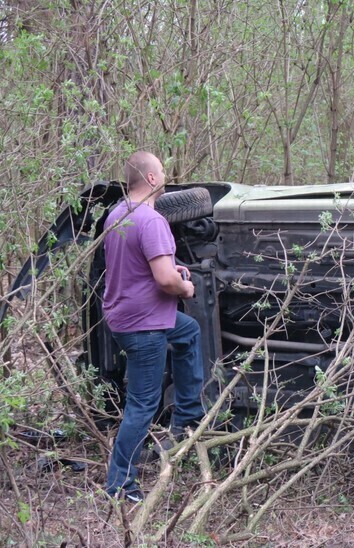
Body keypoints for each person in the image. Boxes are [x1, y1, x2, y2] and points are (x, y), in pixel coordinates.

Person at [102, 151, 205, 502]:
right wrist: (185, 286)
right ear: (149, 179)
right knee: (142, 405)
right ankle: (120, 484)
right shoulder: (151, 220)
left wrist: (175, 270)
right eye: (161, 170)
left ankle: (188, 415)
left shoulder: (116, 214)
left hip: (126, 317)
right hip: (144, 326)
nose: (165, 174)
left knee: (188, 331)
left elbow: (138, 267)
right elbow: (164, 280)